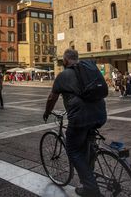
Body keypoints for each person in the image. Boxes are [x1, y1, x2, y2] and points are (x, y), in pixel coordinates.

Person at [43, 49, 106, 197]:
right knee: (88, 146)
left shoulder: (63, 75)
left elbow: (52, 98)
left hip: (80, 118)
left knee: (73, 150)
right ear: (76, 58)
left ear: (65, 60)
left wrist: (47, 112)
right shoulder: (89, 69)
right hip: (101, 115)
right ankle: (89, 172)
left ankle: (91, 188)